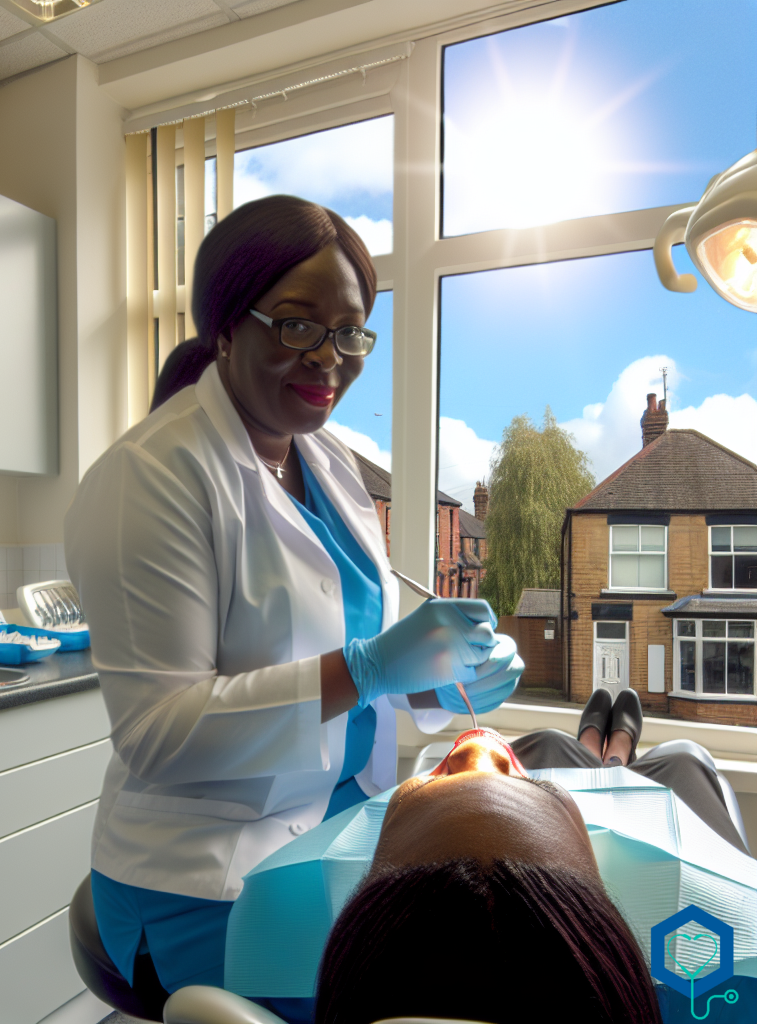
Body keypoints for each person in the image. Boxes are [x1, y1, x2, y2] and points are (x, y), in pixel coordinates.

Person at [64, 194, 524, 1002]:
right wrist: (373, 666)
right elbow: (160, 735)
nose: (330, 357)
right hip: (208, 872)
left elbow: (358, 663)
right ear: (227, 326)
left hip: (342, 831)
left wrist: (439, 678)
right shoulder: (152, 476)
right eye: (297, 324)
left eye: (350, 333)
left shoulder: (331, 463)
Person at [222, 692, 755, 1024]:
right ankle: (613, 756)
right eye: (531, 785)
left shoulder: (278, 951)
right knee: (686, 758)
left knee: (546, 744)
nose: (481, 746)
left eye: (441, 775)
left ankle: (592, 748)